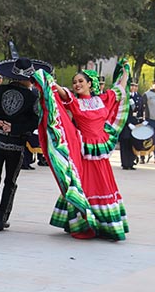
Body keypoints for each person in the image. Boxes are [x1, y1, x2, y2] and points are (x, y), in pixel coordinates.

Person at [32, 59, 130, 241]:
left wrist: (126, 71)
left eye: (80, 81)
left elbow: (120, 89)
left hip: (99, 151)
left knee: (102, 184)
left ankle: (106, 225)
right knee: (83, 185)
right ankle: (83, 222)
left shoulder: (104, 99)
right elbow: (59, 91)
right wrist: (45, 78)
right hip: (83, 151)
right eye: (75, 82)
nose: (77, 84)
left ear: (90, 84)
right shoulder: (74, 102)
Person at [0, 57, 50, 233]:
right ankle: (2, 218)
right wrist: (15, 128)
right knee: (10, 182)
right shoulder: (33, 97)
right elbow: (36, 121)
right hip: (17, 145)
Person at [119, 81, 144, 170]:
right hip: (126, 124)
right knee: (125, 143)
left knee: (133, 143)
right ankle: (125, 163)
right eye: (132, 85)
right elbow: (122, 111)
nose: (133, 87)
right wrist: (128, 123)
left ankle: (131, 162)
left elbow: (140, 111)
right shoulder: (124, 96)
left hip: (135, 124)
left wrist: (142, 121)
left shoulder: (139, 97)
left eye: (135, 85)